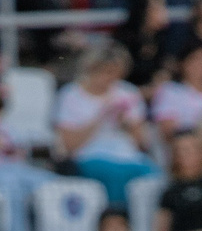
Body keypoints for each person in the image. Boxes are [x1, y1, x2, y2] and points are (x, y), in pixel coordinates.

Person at [54, 44, 156, 204]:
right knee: (114, 175)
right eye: (106, 72)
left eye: (116, 73)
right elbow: (69, 145)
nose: (111, 78)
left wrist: (125, 123)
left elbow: (142, 143)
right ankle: (115, 216)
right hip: (89, 156)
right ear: (91, 69)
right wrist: (100, 117)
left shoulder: (128, 92)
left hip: (127, 156)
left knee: (154, 175)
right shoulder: (70, 95)